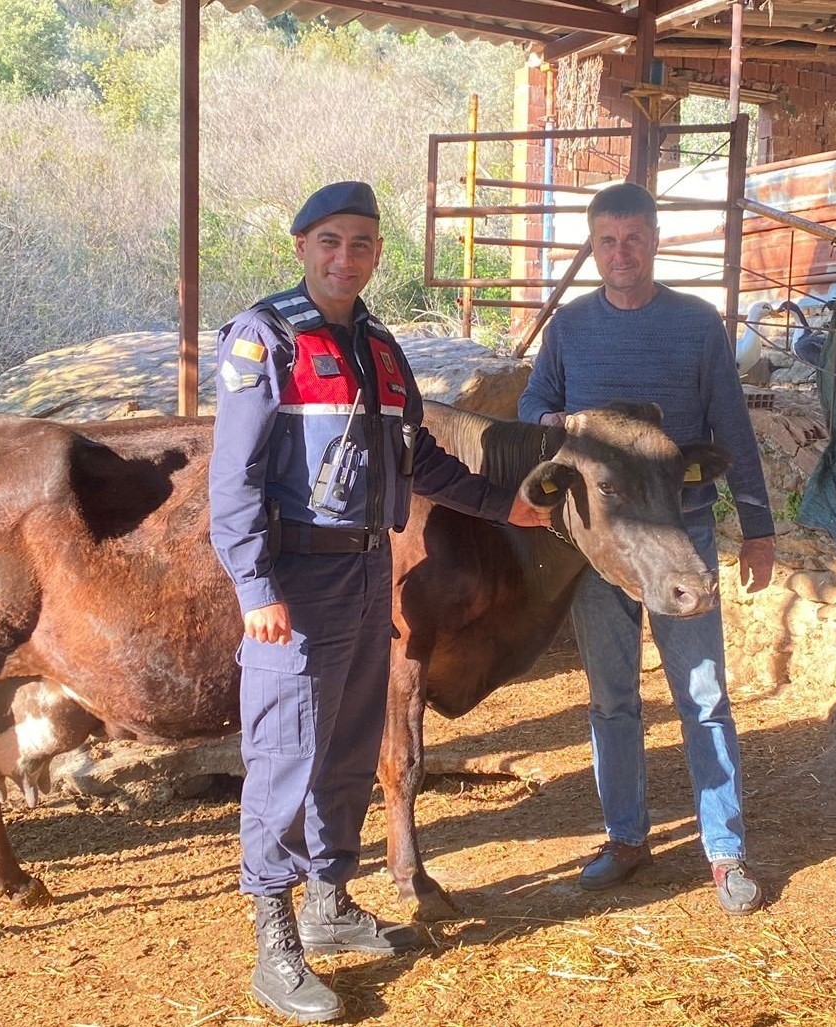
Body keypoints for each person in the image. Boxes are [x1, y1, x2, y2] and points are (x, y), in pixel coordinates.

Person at [209, 180, 550, 1022]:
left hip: (369, 573)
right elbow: (235, 477)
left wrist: (507, 507)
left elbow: (419, 460)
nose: (346, 257)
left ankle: (328, 902)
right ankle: (274, 934)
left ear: (376, 255)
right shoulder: (268, 338)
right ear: (301, 246)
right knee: (286, 752)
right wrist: (255, 584)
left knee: (351, 746)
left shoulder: (381, 349)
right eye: (330, 240)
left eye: (362, 243)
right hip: (296, 578)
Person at [518, 182, 775, 916]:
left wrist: (758, 528)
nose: (620, 253)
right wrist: (561, 417)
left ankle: (724, 850)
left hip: (679, 533)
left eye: (633, 239)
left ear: (656, 240)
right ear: (593, 246)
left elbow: (732, 429)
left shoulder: (697, 327)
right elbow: (532, 407)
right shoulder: (568, 328)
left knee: (702, 694)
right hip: (600, 545)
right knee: (611, 696)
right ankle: (626, 838)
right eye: (607, 241)